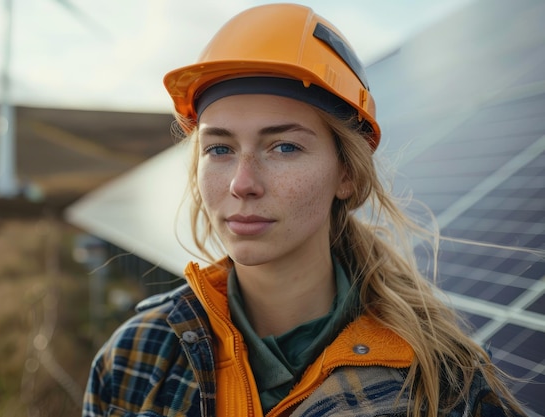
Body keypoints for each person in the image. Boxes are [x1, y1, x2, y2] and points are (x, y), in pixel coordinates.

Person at [83, 4, 527, 417]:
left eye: (285, 147)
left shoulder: (444, 388)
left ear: (346, 174)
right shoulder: (134, 361)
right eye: (219, 148)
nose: (242, 183)